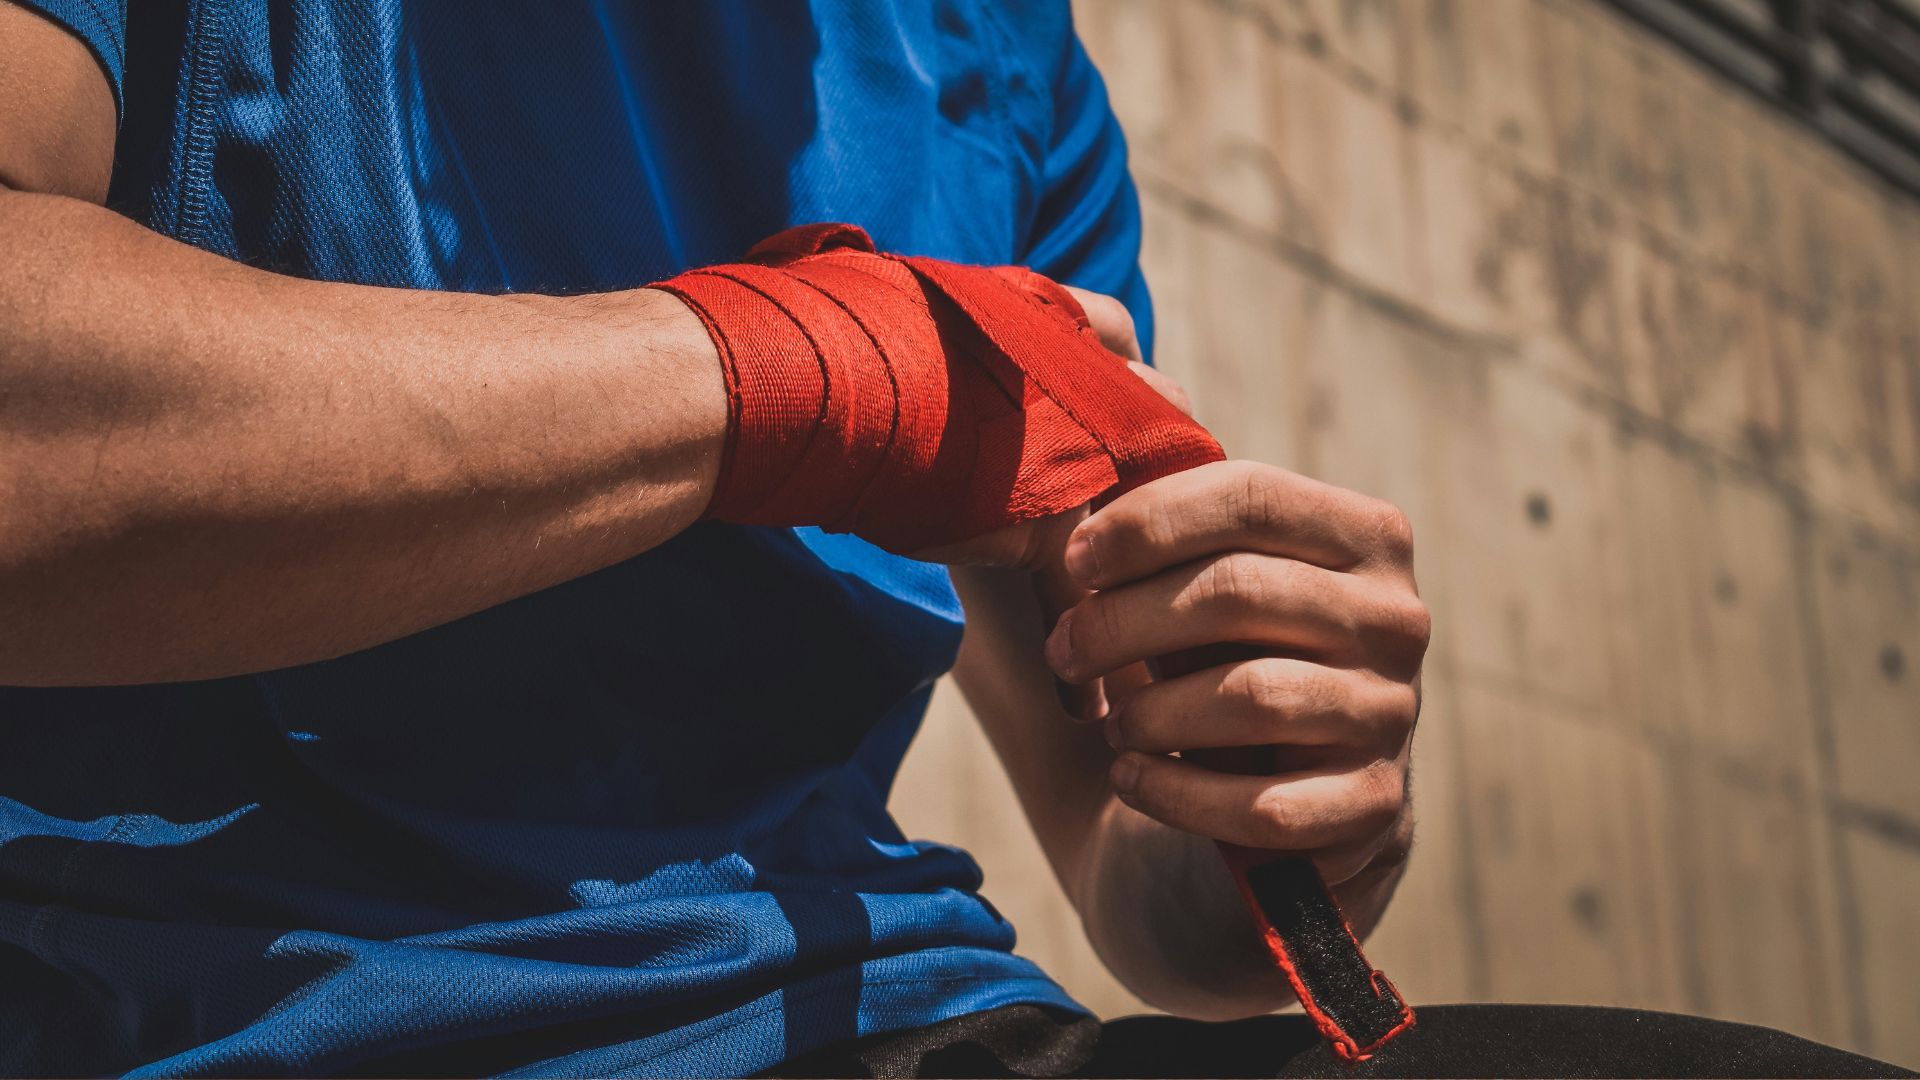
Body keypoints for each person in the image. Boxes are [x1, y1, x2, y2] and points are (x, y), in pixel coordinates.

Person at [0, 3, 1904, 1077]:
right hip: (214, 1013)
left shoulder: (996, 59)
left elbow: (1145, 894)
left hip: (894, 1029)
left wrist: (1259, 791)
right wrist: (787, 379)